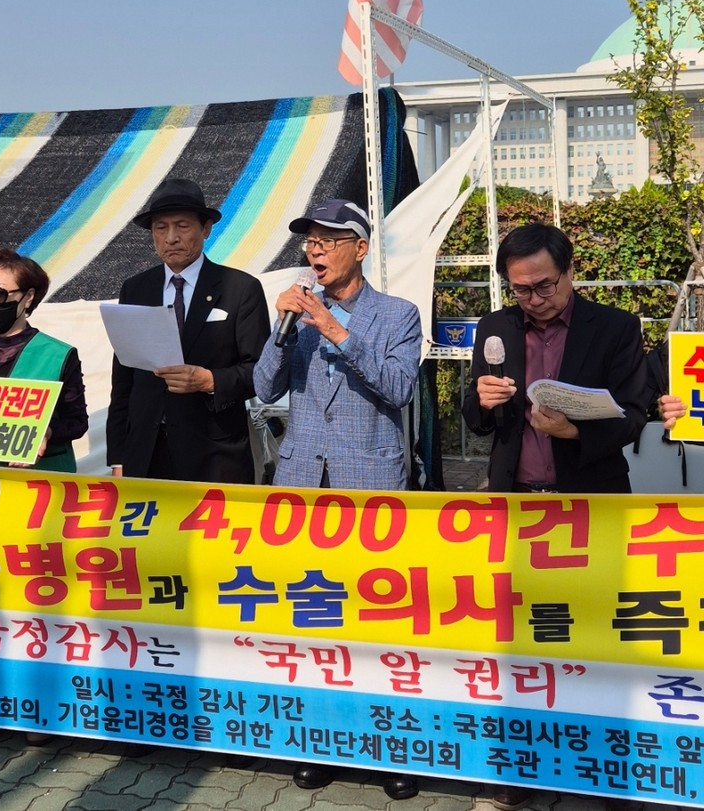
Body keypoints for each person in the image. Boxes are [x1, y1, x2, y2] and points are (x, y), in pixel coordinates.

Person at [463, 222, 649, 811]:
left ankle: (603, 766)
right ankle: (514, 769)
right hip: (517, 507)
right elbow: (472, 413)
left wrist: (574, 432)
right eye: (521, 290)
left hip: (589, 501)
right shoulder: (494, 327)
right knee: (517, 638)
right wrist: (482, 403)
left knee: (597, 633)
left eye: (544, 285)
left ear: (570, 272)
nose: (534, 299)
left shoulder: (615, 327)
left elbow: (635, 414)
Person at [254, 198, 422, 800]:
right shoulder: (297, 314)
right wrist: (282, 331)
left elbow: (400, 388)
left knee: (377, 620)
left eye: (329, 239)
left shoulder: (398, 314)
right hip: (304, 485)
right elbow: (263, 388)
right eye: (310, 241)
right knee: (314, 614)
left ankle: (391, 749)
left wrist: (332, 327)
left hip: (369, 485)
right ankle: (320, 740)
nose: (315, 250)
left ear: (360, 246)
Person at [106, 177, 270, 483]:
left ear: (205, 229)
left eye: (182, 226)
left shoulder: (241, 289)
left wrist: (210, 380)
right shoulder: (136, 288)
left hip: (215, 455)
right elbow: (124, 379)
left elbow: (261, 371)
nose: (171, 238)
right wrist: (118, 456)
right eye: (160, 227)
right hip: (145, 454)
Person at [0, 246, 88, 471]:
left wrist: (46, 431)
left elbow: (78, 422)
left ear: (28, 297)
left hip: (42, 484)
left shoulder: (59, 355)